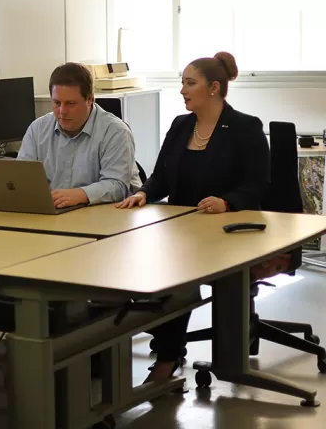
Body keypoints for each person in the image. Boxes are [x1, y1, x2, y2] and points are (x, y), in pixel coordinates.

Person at [116, 52, 270, 382]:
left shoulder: (245, 127)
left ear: (214, 88)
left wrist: (227, 202)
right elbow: (160, 177)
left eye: (189, 83)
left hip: (227, 233)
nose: (182, 90)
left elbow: (257, 186)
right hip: (181, 228)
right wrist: (144, 193)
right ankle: (163, 348)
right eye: (181, 83)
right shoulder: (181, 125)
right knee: (143, 268)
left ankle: (167, 358)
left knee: (177, 280)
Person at [18, 63, 142, 208]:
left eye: (70, 103)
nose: (62, 111)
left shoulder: (115, 132)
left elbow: (118, 186)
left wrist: (81, 194)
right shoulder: (37, 129)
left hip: (105, 216)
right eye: (57, 103)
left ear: (90, 100)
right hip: (54, 214)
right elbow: (22, 177)